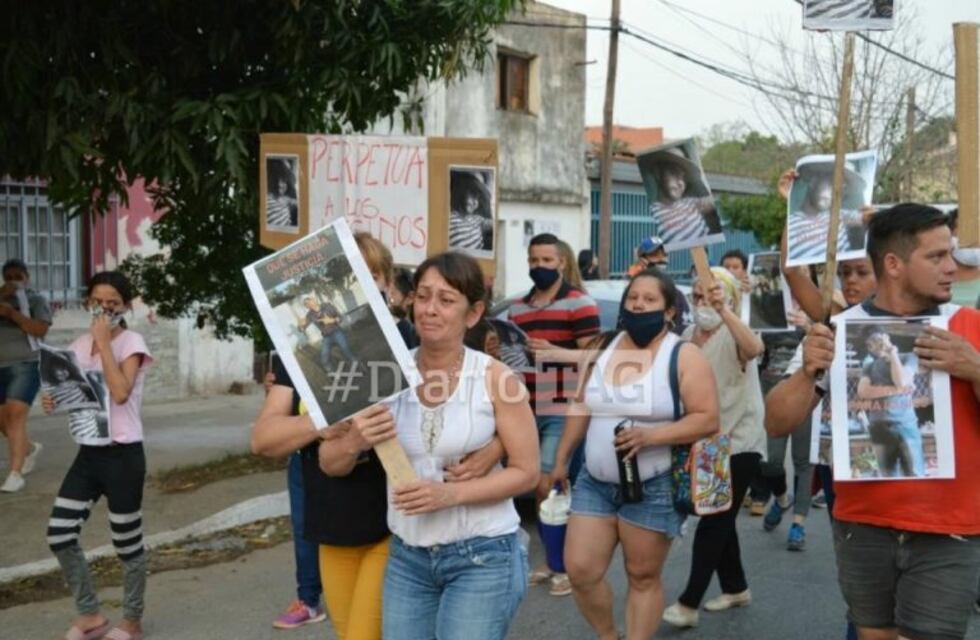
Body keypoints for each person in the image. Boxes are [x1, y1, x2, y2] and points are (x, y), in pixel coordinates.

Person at [765, 203, 980, 640]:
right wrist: (809, 370)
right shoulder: (839, 332)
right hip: (862, 525)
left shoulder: (969, 325)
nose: (951, 268)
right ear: (895, 264)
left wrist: (975, 368)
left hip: (950, 529)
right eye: (936, 257)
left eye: (950, 254)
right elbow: (777, 422)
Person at [370, 251, 539, 640]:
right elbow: (337, 458)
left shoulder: (497, 378)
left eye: (446, 300)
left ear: (473, 313)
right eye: (424, 296)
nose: (430, 309)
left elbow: (527, 472)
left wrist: (451, 494)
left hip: (482, 557)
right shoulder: (386, 375)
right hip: (408, 558)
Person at [553, 268, 720, 639]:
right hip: (594, 482)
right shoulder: (601, 346)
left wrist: (652, 436)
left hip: (652, 485)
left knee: (642, 576)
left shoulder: (684, 355)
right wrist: (561, 459)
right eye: (632, 298)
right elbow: (581, 405)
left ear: (669, 311)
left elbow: (708, 419)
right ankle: (609, 634)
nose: (638, 305)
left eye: (649, 300)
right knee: (579, 570)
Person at [42, 271, 153, 640]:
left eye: (113, 303)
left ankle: (132, 621)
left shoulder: (131, 342)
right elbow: (78, 398)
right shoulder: (76, 346)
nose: (104, 309)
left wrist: (104, 343)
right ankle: (89, 614)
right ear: (87, 301)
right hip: (88, 455)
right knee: (59, 533)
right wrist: (53, 399)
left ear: (125, 306)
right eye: (97, 302)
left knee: (127, 543)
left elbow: (119, 393)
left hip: (123, 456)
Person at [663, 267, 766, 629]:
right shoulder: (689, 335)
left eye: (711, 295)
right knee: (721, 519)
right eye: (697, 296)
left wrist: (725, 311)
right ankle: (736, 587)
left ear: (730, 298)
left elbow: (753, 349)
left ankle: (689, 602)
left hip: (739, 441)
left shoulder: (735, 330)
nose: (702, 302)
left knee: (714, 519)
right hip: (706, 443)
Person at [507, 232, 601, 596]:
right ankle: (552, 559)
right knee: (536, 484)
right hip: (524, 403)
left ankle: (566, 565)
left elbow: (596, 356)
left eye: (547, 260)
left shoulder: (580, 303)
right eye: (534, 261)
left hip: (563, 404)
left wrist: (554, 352)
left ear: (562, 262)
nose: (539, 267)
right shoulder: (517, 307)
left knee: (553, 482)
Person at [0, 258, 50, 492]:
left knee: (15, 415)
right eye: (8, 277)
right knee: (4, 421)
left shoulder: (35, 299)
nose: (13, 282)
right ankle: (28, 448)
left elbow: (40, 330)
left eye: (17, 277)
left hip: (26, 364)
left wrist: (13, 314)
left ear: (26, 277)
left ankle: (15, 474)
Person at [857, 328, 923, 477]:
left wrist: (892, 352)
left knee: (915, 474)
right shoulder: (869, 366)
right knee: (888, 477)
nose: (876, 344)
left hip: (906, 424)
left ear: (886, 337)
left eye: (878, 339)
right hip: (880, 427)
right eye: (871, 343)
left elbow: (901, 381)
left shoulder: (908, 357)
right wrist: (897, 390)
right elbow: (864, 391)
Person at [355, 232, 417, 349]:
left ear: (388, 283)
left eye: (373, 278)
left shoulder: (403, 332)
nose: (363, 286)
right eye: (357, 278)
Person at [649, 155, 721, 246]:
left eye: (683, 178)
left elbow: (718, 201)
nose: (680, 183)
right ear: (658, 174)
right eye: (674, 173)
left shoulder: (691, 202)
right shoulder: (652, 211)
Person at [627, 237, 690, 335]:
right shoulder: (629, 291)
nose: (661, 259)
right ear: (642, 259)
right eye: (655, 255)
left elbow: (683, 329)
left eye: (664, 254)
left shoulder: (676, 294)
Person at [300, 295, 357, 374]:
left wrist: (332, 320)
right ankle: (334, 375)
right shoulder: (310, 315)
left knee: (346, 351)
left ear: (314, 300)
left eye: (310, 301)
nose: (309, 304)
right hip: (326, 337)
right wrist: (301, 326)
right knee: (324, 359)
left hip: (336, 332)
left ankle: (358, 365)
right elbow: (303, 328)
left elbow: (340, 317)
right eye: (307, 304)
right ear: (306, 307)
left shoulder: (327, 306)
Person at [449, 171, 494, 252]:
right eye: (473, 195)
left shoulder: (477, 219)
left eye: (478, 199)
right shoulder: (447, 217)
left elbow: (494, 224)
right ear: (461, 192)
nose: (476, 202)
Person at [267, 160, 299, 228]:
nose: (280, 185)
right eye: (276, 180)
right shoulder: (270, 202)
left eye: (284, 181)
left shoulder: (283, 198)